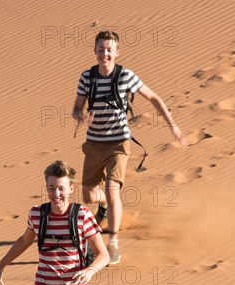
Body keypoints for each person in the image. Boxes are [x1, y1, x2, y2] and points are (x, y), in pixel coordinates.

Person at [72, 30, 188, 265]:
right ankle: (103, 205)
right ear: (95, 52)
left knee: (113, 189)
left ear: (117, 52)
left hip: (118, 143)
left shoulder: (126, 76)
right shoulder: (87, 78)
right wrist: (80, 117)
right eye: (101, 49)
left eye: (109, 49)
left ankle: (112, 244)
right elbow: (76, 107)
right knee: (87, 195)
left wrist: (173, 126)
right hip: (94, 144)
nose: (105, 53)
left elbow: (154, 98)